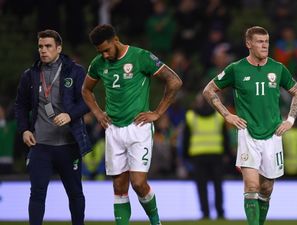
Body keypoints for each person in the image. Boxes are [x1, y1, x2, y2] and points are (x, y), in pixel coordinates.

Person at [81, 24, 182, 225]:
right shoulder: (98, 63)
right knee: (119, 186)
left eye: (107, 50)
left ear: (115, 40)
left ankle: (156, 221)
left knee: (138, 183)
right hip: (113, 130)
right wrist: (98, 113)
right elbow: (86, 90)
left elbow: (174, 81)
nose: (105, 55)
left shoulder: (140, 56)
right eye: (100, 52)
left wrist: (158, 112)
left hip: (138, 129)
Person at [202, 26, 297, 225]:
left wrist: (290, 120)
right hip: (247, 133)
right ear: (248, 44)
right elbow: (208, 90)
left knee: (266, 188)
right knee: (251, 185)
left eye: (266, 42)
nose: (265, 45)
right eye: (259, 42)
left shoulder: (277, 68)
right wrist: (226, 114)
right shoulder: (236, 69)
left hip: (273, 134)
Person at [14, 29, 92, 225]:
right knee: (37, 194)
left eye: (48, 46)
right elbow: (20, 105)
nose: (43, 50)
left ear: (59, 48)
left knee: (75, 194)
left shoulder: (76, 72)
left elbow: (87, 102)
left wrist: (70, 115)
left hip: (68, 144)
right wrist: (24, 130)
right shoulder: (30, 75)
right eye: (40, 46)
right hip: (40, 145)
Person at [182, 93, 231, 220]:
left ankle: (205, 214)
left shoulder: (190, 116)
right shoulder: (218, 117)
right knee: (218, 186)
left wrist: (185, 157)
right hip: (216, 154)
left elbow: (185, 139)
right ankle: (220, 213)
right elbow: (226, 137)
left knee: (201, 187)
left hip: (198, 156)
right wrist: (227, 154)